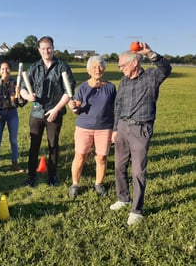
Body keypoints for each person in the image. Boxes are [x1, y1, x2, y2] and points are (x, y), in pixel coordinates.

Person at [110, 42, 172, 226]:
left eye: (122, 65)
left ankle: (136, 210)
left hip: (140, 129)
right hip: (122, 127)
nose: (120, 68)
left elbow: (166, 68)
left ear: (134, 63)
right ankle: (123, 199)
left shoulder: (152, 76)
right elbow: (118, 106)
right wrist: (115, 129)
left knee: (138, 171)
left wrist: (150, 53)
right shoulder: (123, 81)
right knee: (119, 167)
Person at [20, 36, 75, 187]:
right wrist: (28, 96)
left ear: (53, 48)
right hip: (36, 114)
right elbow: (23, 89)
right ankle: (31, 176)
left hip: (54, 113)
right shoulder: (34, 68)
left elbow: (68, 91)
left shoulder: (62, 67)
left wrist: (56, 109)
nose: (46, 51)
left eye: (49, 48)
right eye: (43, 48)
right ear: (39, 50)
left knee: (53, 146)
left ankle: (52, 177)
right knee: (34, 146)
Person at [67, 55, 117, 198]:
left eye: (100, 66)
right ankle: (75, 184)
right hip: (84, 127)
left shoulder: (110, 87)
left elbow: (115, 109)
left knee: (101, 158)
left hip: (105, 128)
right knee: (80, 156)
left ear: (104, 69)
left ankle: (99, 184)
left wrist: (115, 129)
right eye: (94, 67)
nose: (97, 69)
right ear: (88, 70)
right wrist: (74, 107)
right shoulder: (83, 87)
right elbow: (77, 108)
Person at [0, 61, 27, 173]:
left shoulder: (16, 84)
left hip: (12, 114)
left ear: (10, 70)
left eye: (7, 68)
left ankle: (15, 163)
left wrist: (19, 95)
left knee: (13, 140)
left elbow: (21, 104)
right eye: (3, 69)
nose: (5, 71)